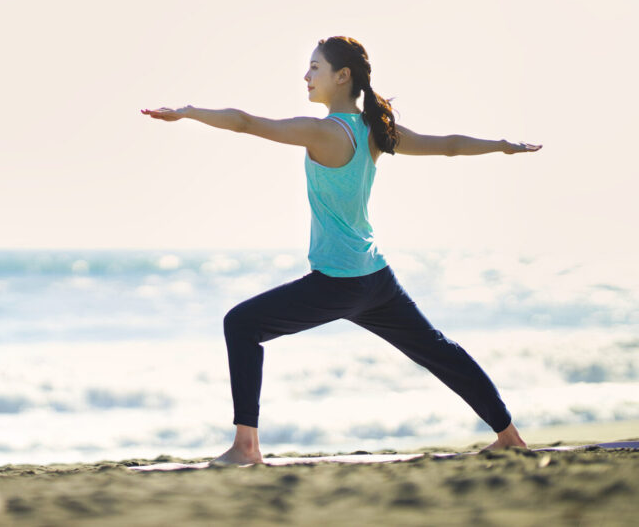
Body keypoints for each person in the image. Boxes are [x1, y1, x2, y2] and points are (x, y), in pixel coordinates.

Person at [141, 35, 541, 465]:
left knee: (241, 324)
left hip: (338, 282)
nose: (306, 76)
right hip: (375, 279)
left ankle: (246, 446)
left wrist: (189, 112)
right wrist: (502, 145)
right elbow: (449, 146)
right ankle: (509, 436)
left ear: (342, 76)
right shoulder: (376, 132)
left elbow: (244, 122)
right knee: (439, 351)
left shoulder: (323, 132)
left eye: (315, 67)